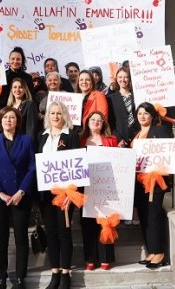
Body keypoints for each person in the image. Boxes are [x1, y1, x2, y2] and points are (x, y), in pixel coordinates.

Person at [0, 107, 36, 289]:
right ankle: (1, 278)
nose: (8, 120)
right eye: (5, 117)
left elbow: (32, 167)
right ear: (0, 121)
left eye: (12, 117)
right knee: (1, 238)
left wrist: (21, 191)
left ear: (17, 121)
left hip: (20, 196)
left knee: (21, 238)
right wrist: (0, 193)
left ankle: (20, 277)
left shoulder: (27, 140)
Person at [37, 102, 80, 289]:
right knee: (51, 233)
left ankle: (65, 274)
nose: (55, 116)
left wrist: (72, 193)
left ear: (64, 116)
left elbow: (77, 165)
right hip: (46, 194)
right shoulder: (42, 136)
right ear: (48, 116)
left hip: (64, 194)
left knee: (64, 232)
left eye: (59, 113)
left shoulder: (71, 136)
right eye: (52, 113)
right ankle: (54, 272)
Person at [131, 102, 172, 269]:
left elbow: (168, 152)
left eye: (146, 113)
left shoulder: (159, 130)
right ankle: (152, 251)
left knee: (153, 214)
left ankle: (159, 252)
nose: (142, 116)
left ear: (152, 116)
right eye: (139, 113)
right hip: (139, 181)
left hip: (155, 180)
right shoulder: (136, 134)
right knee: (144, 216)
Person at [79, 111, 118, 270]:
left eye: (99, 120)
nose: (96, 122)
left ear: (103, 124)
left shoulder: (111, 140)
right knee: (88, 222)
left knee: (105, 221)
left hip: (106, 186)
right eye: (93, 119)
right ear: (87, 123)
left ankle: (105, 258)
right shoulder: (80, 140)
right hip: (86, 187)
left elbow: (118, 162)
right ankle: (90, 258)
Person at [107, 67, 136, 147]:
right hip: (120, 139)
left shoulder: (136, 96)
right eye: (120, 77)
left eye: (126, 77)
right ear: (116, 79)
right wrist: (118, 138)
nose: (123, 80)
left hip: (137, 137)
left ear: (129, 79)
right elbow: (110, 122)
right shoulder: (111, 98)